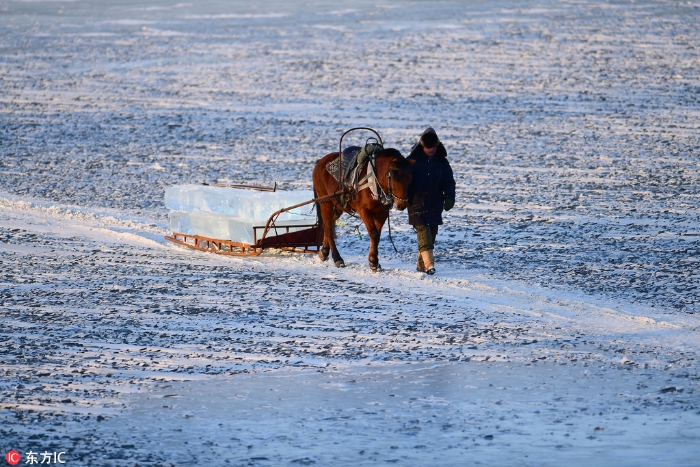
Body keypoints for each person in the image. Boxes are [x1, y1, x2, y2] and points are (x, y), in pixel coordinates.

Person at [407, 127, 456, 275]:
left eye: (433, 147)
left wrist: (450, 197)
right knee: (423, 232)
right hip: (416, 202)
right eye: (428, 147)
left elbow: (449, 181)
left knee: (432, 232)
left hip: (435, 202)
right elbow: (402, 181)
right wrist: (401, 199)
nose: (431, 150)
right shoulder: (412, 161)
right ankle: (429, 265)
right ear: (422, 146)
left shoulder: (442, 162)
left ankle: (421, 264)